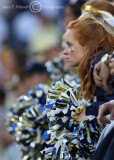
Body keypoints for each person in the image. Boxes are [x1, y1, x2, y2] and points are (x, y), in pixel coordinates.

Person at [63, 17, 114, 120]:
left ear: (87, 45)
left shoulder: (99, 67)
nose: (64, 52)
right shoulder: (95, 63)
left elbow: (110, 101)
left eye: (69, 45)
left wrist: (86, 113)